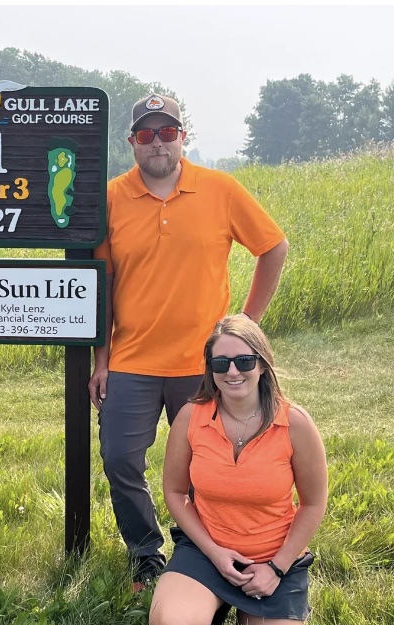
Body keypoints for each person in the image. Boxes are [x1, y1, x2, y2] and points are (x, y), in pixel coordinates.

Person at [89, 93, 290, 591]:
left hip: (207, 367)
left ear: (183, 136)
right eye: (145, 134)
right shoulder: (110, 198)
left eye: (167, 132)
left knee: (210, 465)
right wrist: (101, 359)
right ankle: (144, 553)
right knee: (120, 460)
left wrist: (246, 325)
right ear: (132, 142)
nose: (157, 142)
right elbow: (99, 285)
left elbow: (273, 247)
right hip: (131, 359)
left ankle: (202, 550)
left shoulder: (221, 189)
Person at [148, 316, 327, 625]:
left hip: (274, 558)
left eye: (244, 361)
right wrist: (215, 553)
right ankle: (207, 603)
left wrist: (277, 567)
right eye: (221, 363)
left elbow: (313, 503)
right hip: (207, 550)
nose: (232, 372)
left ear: (262, 364)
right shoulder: (190, 417)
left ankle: (251, 608)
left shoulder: (295, 423)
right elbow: (173, 492)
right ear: (210, 369)